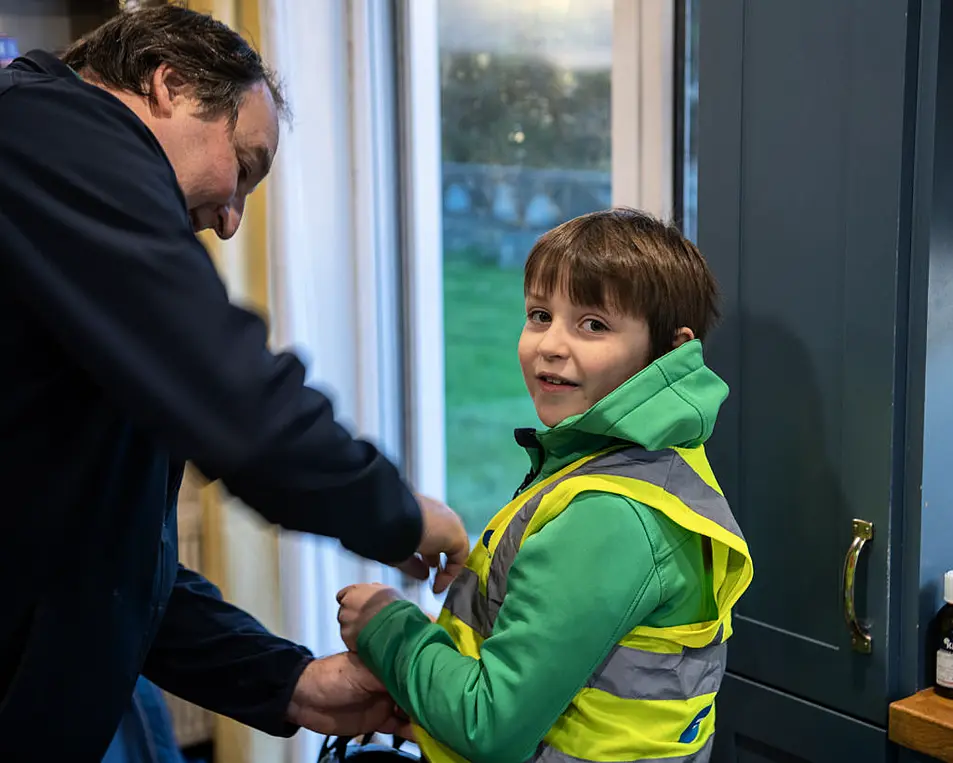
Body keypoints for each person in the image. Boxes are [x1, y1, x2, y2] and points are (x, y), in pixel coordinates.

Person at [0, 6, 467, 760]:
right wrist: (400, 515)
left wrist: (292, 681)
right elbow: (238, 404)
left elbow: (108, 561)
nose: (228, 220)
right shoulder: (48, 132)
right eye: (242, 167)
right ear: (169, 83)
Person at [337, 209, 755, 763]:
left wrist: (386, 626)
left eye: (593, 325)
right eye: (539, 314)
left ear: (671, 350)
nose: (550, 345)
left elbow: (491, 727)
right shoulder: (649, 459)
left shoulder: (610, 515)